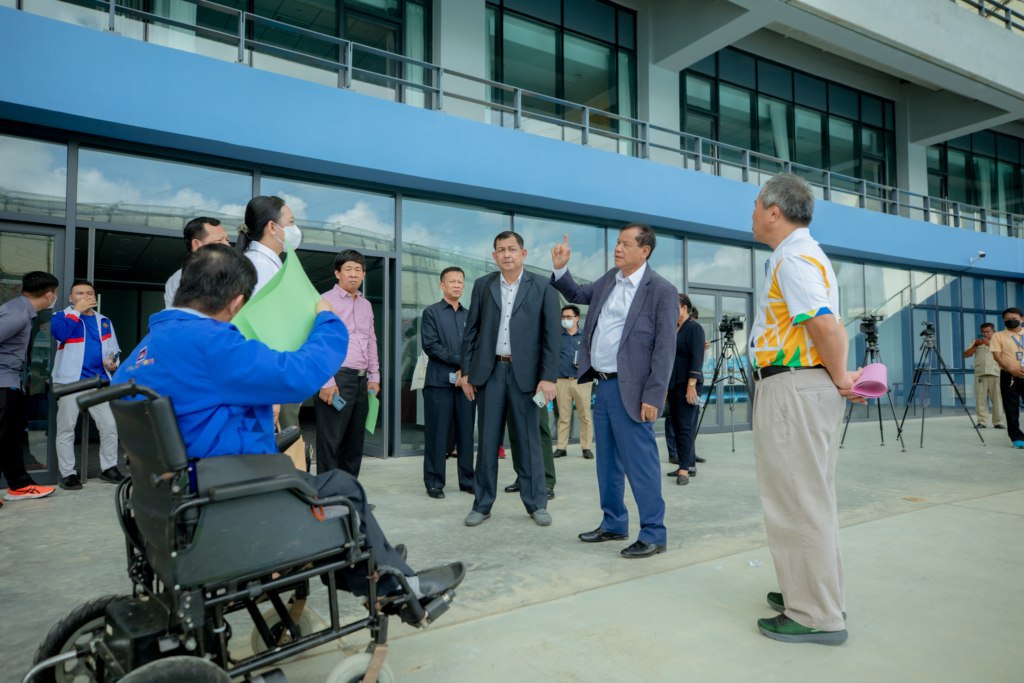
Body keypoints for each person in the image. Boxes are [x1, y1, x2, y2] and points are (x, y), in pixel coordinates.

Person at [112, 244, 457, 602]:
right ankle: (390, 586)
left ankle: (372, 558)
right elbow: (298, 375)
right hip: (225, 496)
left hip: (169, 495)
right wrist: (328, 322)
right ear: (236, 301)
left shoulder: (144, 350)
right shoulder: (212, 344)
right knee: (342, 486)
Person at [747, 173, 863, 645]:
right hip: (800, 387)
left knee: (797, 500)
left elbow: (825, 325)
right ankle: (810, 591)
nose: (753, 214)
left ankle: (815, 613)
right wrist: (837, 376)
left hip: (792, 387)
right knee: (809, 497)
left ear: (774, 211)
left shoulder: (793, 258)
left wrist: (841, 376)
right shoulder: (804, 254)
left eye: (756, 206)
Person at [551, 224, 678, 559]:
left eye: (625, 244)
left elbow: (665, 349)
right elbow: (578, 294)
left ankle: (653, 533)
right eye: (617, 242)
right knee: (606, 462)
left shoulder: (661, 290)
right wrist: (561, 268)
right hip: (603, 385)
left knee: (641, 465)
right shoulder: (610, 279)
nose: (617, 248)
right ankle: (613, 523)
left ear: (644, 251)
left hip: (634, 391)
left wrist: (654, 395)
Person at [460, 231, 560, 527]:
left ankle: (536, 503)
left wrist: (548, 378)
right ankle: (482, 504)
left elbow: (551, 336)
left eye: (512, 249)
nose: (507, 254)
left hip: (526, 377)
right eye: (501, 250)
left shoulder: (543, 286)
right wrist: (466, 371)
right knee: (487, 442)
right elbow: (472, 331)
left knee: (529, 442)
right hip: (490, 374)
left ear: (523, 253)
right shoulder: (483, 285)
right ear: (494, 256)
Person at [50, 281, 125, 489]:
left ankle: (109, 468)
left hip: (97, 381)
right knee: (66, 428)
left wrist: (113, 361)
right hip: (70, 382)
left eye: (89, 293)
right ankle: (67, 474)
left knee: (109, 425)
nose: (85, 296)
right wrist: (77, 311)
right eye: (79, 293)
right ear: (70, 298)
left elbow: (114, 349)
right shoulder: (61, 316)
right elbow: (60, 334)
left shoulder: (104, 321)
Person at [316, 249, 380, 478]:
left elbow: (371, 339)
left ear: (363, 274)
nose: (353, 274)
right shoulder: (324, 300)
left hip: (361, 380)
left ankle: (348, 490)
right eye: (348, 269)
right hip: (337, 378)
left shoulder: (366, 305)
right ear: (337, 273)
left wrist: (374, 376)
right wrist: (326, 381)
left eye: (358, 270)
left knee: (354, 442)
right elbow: (318, 342)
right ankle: (327, 492)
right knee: (331, 440)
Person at [1, 271, 59, 502]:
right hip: (3, 383)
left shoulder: (23, 312)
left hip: (12, 383)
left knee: (11, 438)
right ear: (49, 295)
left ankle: (20, 485)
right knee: (5, 437)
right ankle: (20, 484)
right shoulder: (16, 315)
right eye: (55, 293)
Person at [420, 267, 474, 498]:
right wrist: (462, 363)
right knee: (437, 435)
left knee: (466, 434)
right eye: (452, 281)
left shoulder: (470, 315)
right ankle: (434, 482)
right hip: (439, 384)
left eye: (460, 282)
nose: (457, 285)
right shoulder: (431, 313)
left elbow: (476, 346)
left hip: (466, 384)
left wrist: (466, 369)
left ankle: (468, 480)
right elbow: (431, 346)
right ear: (442, 285)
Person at [666, 293, 705, 486]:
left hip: (688, 385)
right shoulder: (674, 328)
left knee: (685, 427)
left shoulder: (694, 328)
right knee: (678, 426)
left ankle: (684, 470)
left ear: (684, 308)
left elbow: (697, 358)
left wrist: (691, 386)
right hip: (674, 384)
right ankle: (688, 464)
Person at [555, 304, 594, 460]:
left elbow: (594, 356)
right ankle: (561, 447)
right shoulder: (557, 336)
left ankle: (586, 447)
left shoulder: (586, 336)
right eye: (563, 317)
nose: (565, 320)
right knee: (563, 416)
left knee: (585, 416)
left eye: (569, 317)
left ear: (577, 318)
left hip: (582, 381)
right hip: (561, 381)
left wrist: (584, 363)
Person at [164, 217, 230, 308]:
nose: (227, 245)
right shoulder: (178, 279)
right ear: (196, 244)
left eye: (227, 240)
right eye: (219, 240)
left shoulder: (236, 271)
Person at [989, 308, 1024, 448]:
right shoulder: (998, 336)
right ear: (1003, 320)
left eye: (1014, 318)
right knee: (1011, 408)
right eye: (1008, 319)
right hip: (1009, 376)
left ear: (1022, 319)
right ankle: (1017, 438)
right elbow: (997, 356)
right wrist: (1011, 368)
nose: (1011, 321)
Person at [965, 322, 1004, 430]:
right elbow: (966, 354)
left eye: (987, 332)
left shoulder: (1000, 341)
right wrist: (975, 345)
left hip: (996, 373)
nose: (985, 334)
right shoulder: (975, 342)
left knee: (997, 399)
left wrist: (989, 344)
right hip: (980, 374)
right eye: (983, 332)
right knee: (980, 399)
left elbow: (1005, 354)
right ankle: (982, 422)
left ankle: (998, 422)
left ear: (993, 331)